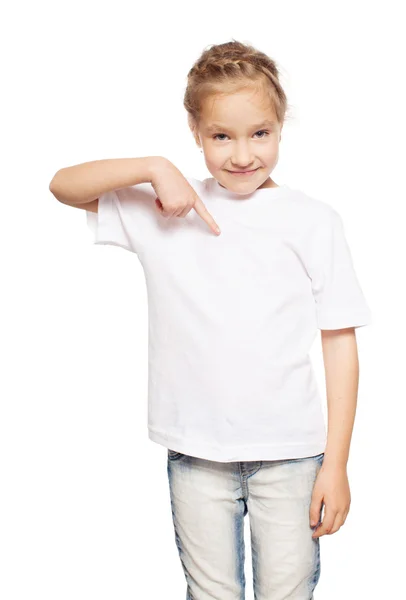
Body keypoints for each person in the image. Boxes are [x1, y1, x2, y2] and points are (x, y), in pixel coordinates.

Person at [49, 39, 372, 600]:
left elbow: (339, 341)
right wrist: (154, 168)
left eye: (260, 134)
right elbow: (62, 185)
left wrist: (336, 465)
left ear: (279, 128)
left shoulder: (313, 221)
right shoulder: (165, 207)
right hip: (196, 457)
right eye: (222, 135)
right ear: (196, 132)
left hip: (292, 457)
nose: (242, 154)